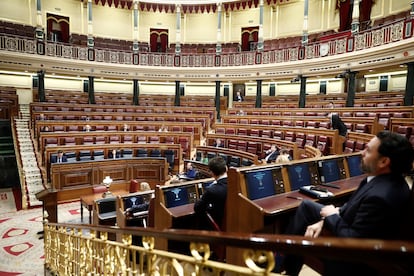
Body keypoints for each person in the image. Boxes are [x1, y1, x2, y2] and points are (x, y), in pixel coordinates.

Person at [282, 131, 414, 276]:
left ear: (384, 161)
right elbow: (353, 205)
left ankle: (279, 267)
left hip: (352, 260)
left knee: (300, 232)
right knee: (307, 206)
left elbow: (354, 242)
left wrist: (331, 217)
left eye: (368, 150)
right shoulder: (384, 180)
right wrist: (327, 218)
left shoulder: (381, 197)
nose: (361, 153)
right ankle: (285, 266)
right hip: (349, 226)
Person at [194, 156, 228, 229]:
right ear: (226, 168)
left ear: (212, 173)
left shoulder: (212, 190)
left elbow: (197, 208)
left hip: (219, 226)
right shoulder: (236, 183)